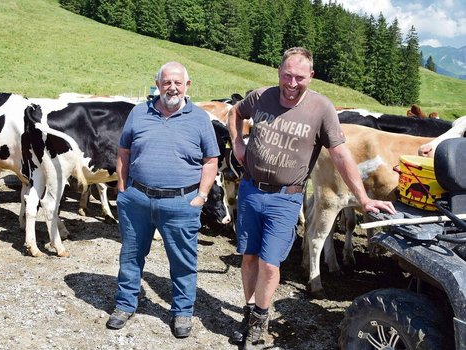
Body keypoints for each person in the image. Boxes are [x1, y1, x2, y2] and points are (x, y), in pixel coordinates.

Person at [226, 47, 396, 348]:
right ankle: (249, 311)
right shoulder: (262, 96)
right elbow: (234, 112)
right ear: (279, 72)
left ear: (311, 77)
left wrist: (363, 198)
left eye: (299, 78)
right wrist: (237, 141)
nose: (292, 83)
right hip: (251, 190)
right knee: (249, 256)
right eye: (287, 75)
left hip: (285, 198)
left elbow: (341, 154)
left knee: (269, 263)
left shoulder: (321, 108)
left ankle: (260, 320)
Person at [106, 61, 220, 338]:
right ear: (157, 85)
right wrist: (123, 189)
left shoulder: (200, 118)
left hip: (181, 203)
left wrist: (202, 196)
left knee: (183, 261)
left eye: (178, 82)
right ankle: (125, 304)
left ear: (187, 86)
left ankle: (182, 312)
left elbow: (211, 160)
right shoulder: (138, 113)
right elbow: (123, 151)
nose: (172, 87)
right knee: (131, 256)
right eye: (166, 82)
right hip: (137, 199)